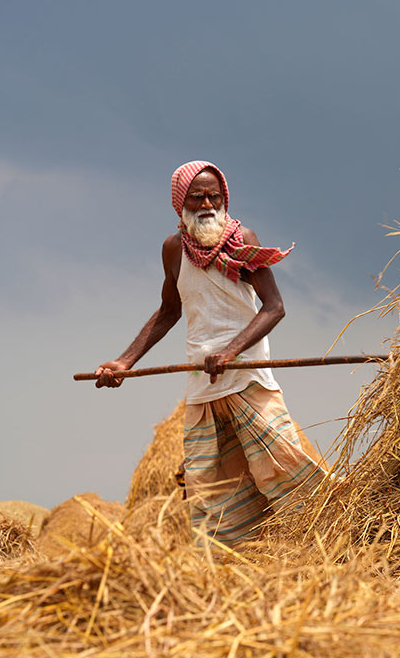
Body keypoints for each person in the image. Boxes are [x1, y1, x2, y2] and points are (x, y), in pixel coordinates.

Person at [94, 160, 328, 544]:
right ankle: (235, 565)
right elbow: (170, 311)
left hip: (249, 377)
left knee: (283, 466)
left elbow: (274, 308)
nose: (207, 205)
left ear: (225, 200)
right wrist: (124, 362)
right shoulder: (173, 250)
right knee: (210, 487)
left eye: (214, 197)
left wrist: (231, 352)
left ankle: (335, 532)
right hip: (203, 386)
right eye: (197, 197)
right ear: (179, 204)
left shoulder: (242, 240)